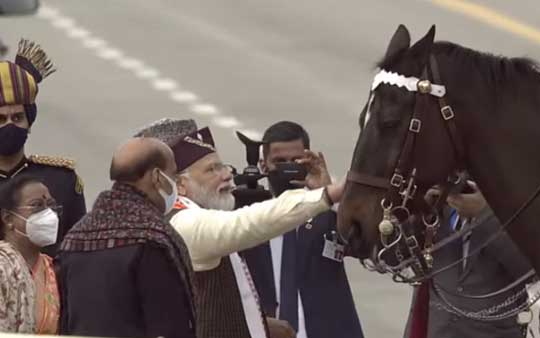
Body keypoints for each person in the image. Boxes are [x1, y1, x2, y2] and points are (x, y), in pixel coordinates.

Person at [134, 118, 345, 338]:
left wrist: (260, 324)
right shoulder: (182, 224)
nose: (226, 175)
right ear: (180, 185)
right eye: (211, 170)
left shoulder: (191, 215)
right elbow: (248, 223)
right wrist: (328, 194)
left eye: (222, 166)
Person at [56, 137, 199, 338]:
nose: (174, 184)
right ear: (157, 176)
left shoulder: (74, 237)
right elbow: (169, 324)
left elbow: (65, 317)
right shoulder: (152, 239)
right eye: (173, 175)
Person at [245, 121, 364, 338]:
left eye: (296, 161)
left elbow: (365, 245)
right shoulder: (250, 218)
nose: (288, 167)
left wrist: (327, 192)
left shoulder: (326, 214)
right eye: (279, 162)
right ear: (263, 166)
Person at [403, 179, 534, 338]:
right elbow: (395, 259)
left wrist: (483, 214)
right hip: (435, 330)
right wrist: (419, 215)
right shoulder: (438, 205)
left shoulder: (517, 203)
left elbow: (529, 270)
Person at [0, 39, 86, 257]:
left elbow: (77, 252)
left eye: (17, 117)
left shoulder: (61, 180)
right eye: (1, 119)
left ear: (29, 123)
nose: (10, 125)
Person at [0, 175, 62, 334]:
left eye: (51, 206)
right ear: (7, 218)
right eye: (37, 206)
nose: (49, 214)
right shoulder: (3, 267)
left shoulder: (54, 269)